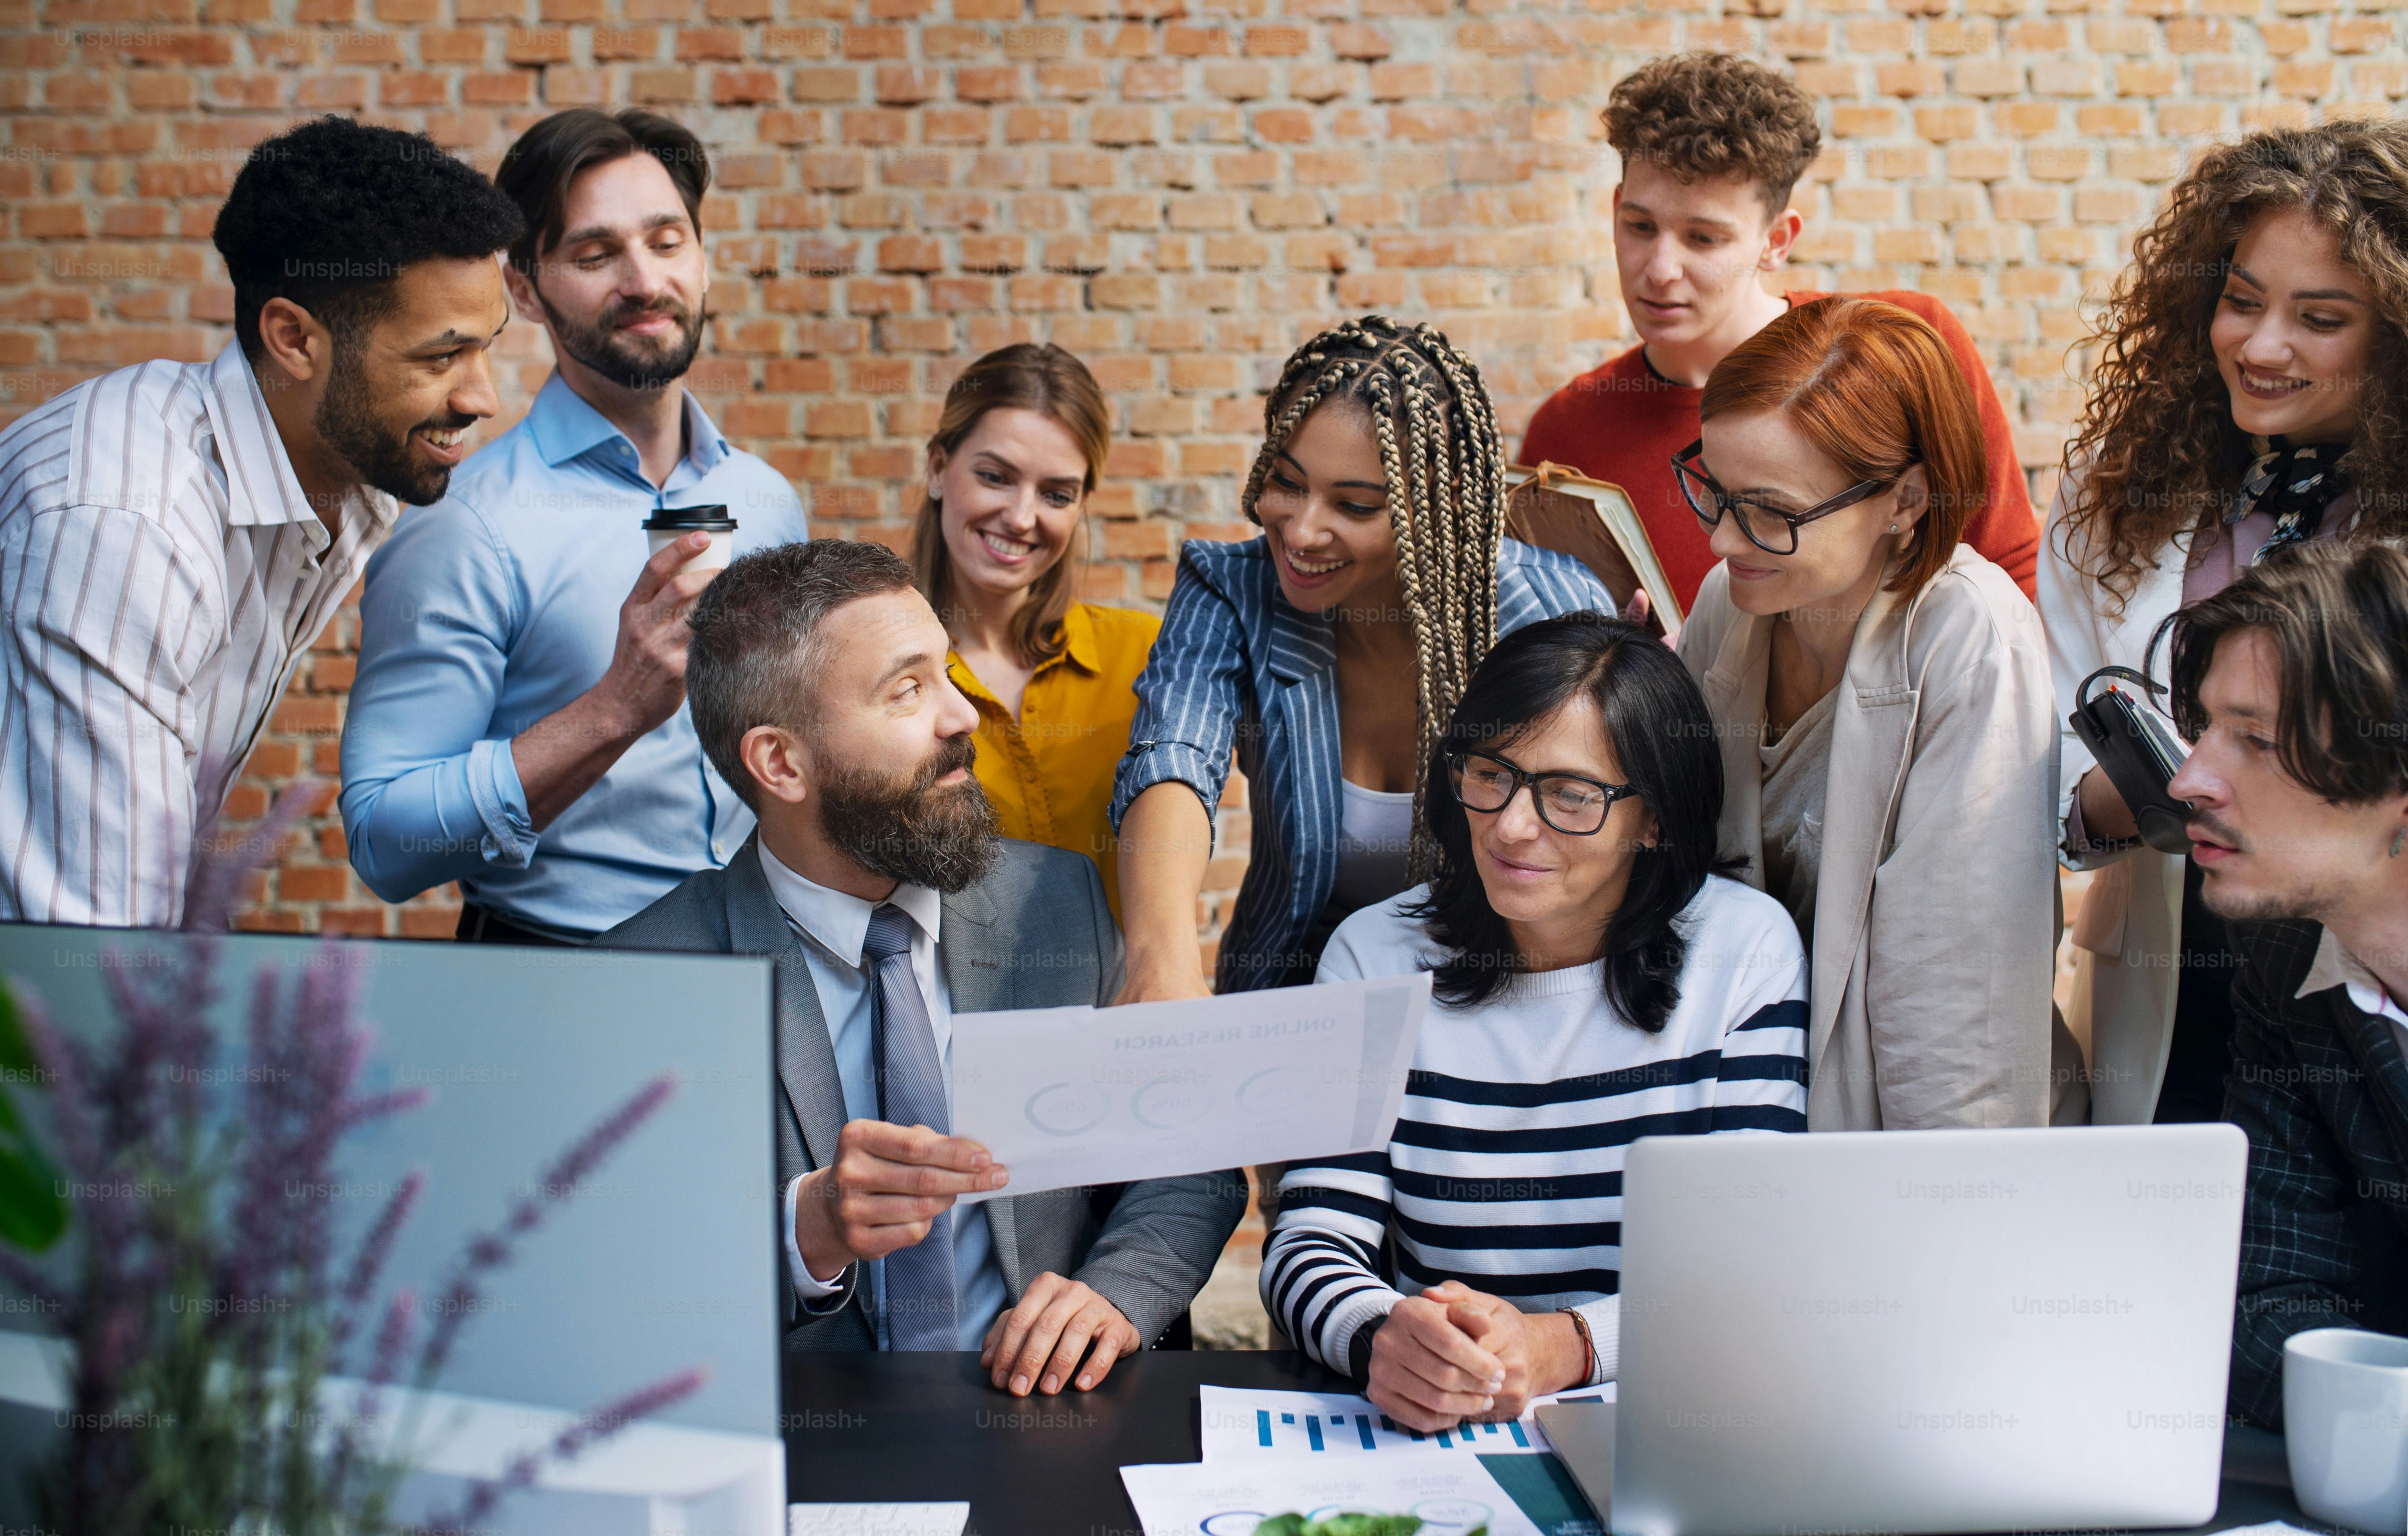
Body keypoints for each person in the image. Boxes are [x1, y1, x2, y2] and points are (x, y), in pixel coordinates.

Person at [596, 539, 1244, 1387]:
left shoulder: (1055, 904)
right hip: (803, 1459)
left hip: (1043, 1430)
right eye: (908, 690)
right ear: (780, 762)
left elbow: (1189, 1158)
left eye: (946, 672)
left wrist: (1113, 1295)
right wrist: (807, 1229)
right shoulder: (647, 980)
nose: (962, 715)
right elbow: (620, 1286)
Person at [1263, 613, 1807, 1428]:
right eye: (1492, 774)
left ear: (1653, 818)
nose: (1514, 826)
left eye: (1570, 796)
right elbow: (1311, 1241)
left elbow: (1750, 1265)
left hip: (1669, 1429)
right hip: (1433, 1433)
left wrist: (1564, 1347)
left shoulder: (1743, 949)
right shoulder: (1373, 955)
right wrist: (1385, 1338)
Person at [0, 116, 522, 928]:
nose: (482, 397)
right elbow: (99, 950)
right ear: (292, 339)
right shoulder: (127, 527)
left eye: (488, 348)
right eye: (439, 356)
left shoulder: (345, 478)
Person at [341, 109, 808, 946]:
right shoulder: (464, 528)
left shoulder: (767, 499)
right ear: (524, 289)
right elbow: (384, 841)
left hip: (767, 969)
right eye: (596, 255)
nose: (643, 281)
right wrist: (614, 710)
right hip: (555, 974)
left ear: (703, 261)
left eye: (668, 243)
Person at [2044, 120, 2408, 1126]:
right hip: (2174, 973)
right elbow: (2034, 755)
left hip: (2372, 979)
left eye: (2320, 318)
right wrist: (2141, 795)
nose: (2260, 345)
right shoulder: (2113, 493)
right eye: (2240, 301)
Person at [1111, 315, 1611, 1003]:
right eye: (1287, 482)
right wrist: (1160, 959)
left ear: (1444, 501)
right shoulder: (1234, 590)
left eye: (1353, 504)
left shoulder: (1544, 610)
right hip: (1297, 994)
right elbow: (1173, 756)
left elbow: (1597, 825)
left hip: (1504, 989)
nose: (1303, 529)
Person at [1675, 297, 2059, 1130]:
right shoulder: (1729, 603)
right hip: (1747, 1122)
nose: (1723, 544)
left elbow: (1960, 1013)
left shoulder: (1969, 636)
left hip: (1910, 1148)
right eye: (1715, 490)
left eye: (1771, 513)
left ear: (1906, 500)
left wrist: (1935, 1221)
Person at [1517, 52, 2038, 614]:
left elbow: (2011, 573)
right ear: (1616, 209)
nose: (1660, 268)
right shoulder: (1566, 432)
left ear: (1776, 241)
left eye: (1703, 239)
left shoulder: (1904, 346)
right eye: (1640, 227)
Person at [2151, 543, 2408, 1428]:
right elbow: (2261, 1304)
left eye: (2257, 741)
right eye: (2206, 731)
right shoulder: (2282, 958)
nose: (2188, 782)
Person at [910, 344, 1158, 924]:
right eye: (995, 477)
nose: (1022, 518)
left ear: (1081, 506)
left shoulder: (1145, 657)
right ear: (938, 468)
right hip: (950, 1012)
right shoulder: (882, 676)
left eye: (1055, 494)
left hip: (1121, 1009)